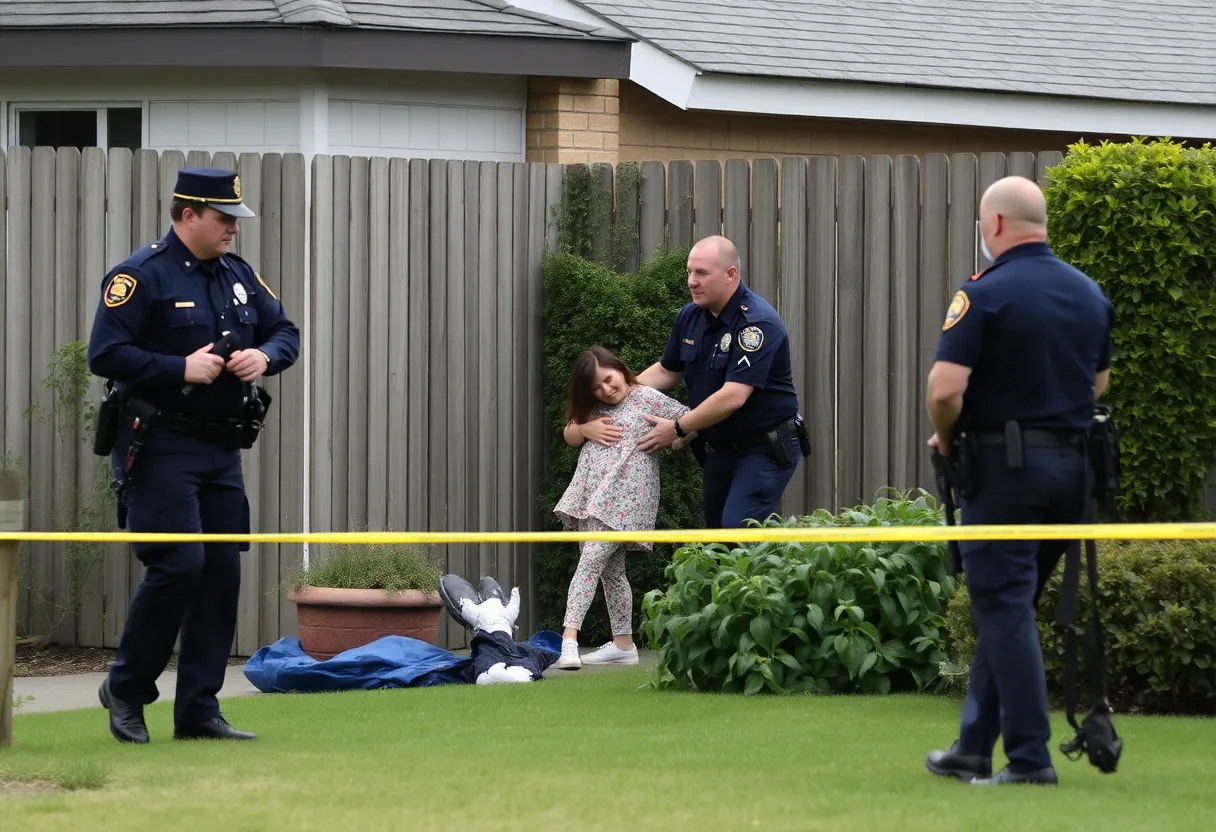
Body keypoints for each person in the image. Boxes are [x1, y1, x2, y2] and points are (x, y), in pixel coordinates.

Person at [87, 167, 301, 744]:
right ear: (188, 215)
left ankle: (199, 711)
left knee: (220, 576)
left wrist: (265, 356)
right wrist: (177, 368)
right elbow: (104, 354)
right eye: (223, 218)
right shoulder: (141, 276)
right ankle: (127, 690)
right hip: (159, 447)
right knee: (179, 566)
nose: (233, 227)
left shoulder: (237, 275)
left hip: (220, 450)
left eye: (235, 218)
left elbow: (286, 331)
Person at [922, 175, 1114, 787]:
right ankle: (973, 747)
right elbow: (1098, 386)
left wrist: (949, 441)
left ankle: (1030, 760)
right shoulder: (1088, 294)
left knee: (1003, 605)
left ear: (995, 225)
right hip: (1074, 473)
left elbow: (945, 390)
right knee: (1011, 604)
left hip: (1007, 472)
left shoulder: (985, 292)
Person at [635, 235, 807, 529]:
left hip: (763, 447)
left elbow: (733, 397)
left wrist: (677, 427)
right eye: (689, 272)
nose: (691, 281)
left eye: (701, 273)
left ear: (731, 275)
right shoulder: (690, 316)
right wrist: (622, 393)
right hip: (719, 448)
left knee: (736, 532)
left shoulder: (756, 324)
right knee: (717, 539)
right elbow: (668, 371)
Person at [551, 346, 691, 669]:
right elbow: (569, 434)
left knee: (590, 559)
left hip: (626, 499)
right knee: (611, 570)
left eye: (608, 379)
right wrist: (585, 429)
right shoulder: (595, 409)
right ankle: (624, 643)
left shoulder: (646, 397)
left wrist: (673, 438)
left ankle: (569, 639)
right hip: (596, 496)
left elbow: (689, 419)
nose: (606, 389)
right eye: (596, 387)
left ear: (619, 368)